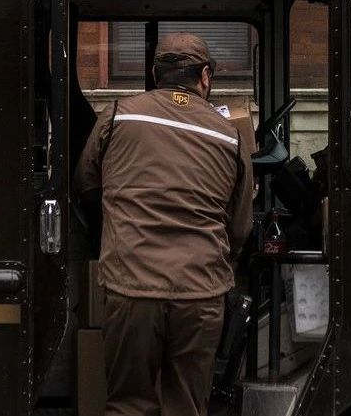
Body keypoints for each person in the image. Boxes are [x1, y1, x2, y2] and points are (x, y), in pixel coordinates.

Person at [75, 32, 253, 416]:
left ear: (156, 73)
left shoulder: (120, 114)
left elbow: (86, 184)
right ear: (205, 76)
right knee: (186, 406)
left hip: (131, 284)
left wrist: (110, 233)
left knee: (127, 404)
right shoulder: (228, 136)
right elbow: (239, 228)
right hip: (200, 292)